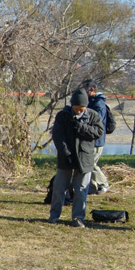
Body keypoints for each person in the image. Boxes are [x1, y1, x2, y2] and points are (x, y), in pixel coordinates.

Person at [50, 88, 103, 228]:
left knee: (81, 189)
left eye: (82, 109)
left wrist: (81, 127)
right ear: (72, 104)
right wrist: (65, 153)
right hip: (65, 158)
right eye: (77, 109)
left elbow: (99, 132)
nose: (79, 111)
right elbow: (57, 136)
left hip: (85, 158)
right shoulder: (62, 116)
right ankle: (54, 216)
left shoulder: (93, 116)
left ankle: (78, 218)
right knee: (59, 188)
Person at [82, 78, 116, 194]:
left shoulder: (98, 104)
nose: (83, 91)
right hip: (91, 139)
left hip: (97, 140)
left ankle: (103, 183)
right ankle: (92, 187)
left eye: (85, 89)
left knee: (91, 164)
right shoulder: (91, 102)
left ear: (92, 89)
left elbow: (97, 121)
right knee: (89, 163)